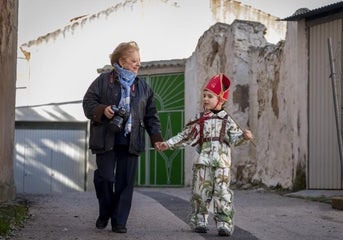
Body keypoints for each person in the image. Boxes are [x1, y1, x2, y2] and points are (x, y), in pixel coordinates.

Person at [156, 73, 253, 237]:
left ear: (221, 100)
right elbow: (185, 135)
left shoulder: (228, 120)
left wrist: (244, 137)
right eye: (204, 96)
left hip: (221, 164)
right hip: (202, 162)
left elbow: (235, 138)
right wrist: (168, 143)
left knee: (222, 193)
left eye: (210, 96)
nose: (205, 99)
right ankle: (199, 220)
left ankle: (224, 223)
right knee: (200, 193)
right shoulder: (199, 119)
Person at [82, 41, 163, 234]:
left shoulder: (143, 87)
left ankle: (119, 222)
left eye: (139, 61)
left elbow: (151, 115)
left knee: (125, 183)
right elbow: (87, 103)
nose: (138, 64)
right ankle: (105, 212)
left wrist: (156, 137)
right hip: (105, 137)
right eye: (134, 61)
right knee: (105, 178)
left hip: (131, 139)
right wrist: (104, 110)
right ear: (122, 61)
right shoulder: (103, 80)